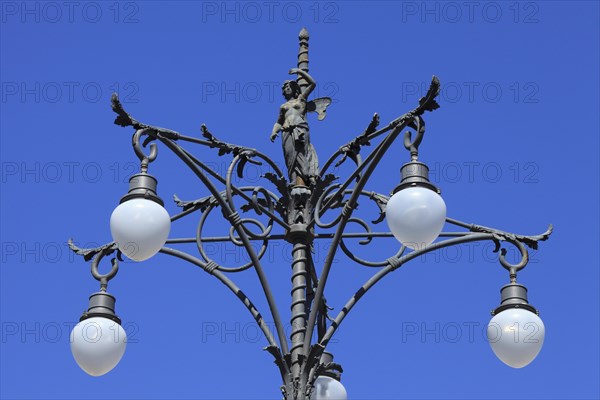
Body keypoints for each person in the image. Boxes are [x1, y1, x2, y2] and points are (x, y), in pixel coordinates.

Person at [270, 68, 319, 186]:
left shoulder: (301, 99)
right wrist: (273, 132)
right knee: (290, 156)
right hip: (286, 131)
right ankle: (293, 179)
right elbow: (278, 122)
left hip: (300, 129)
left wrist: (299, 71)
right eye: (285, 87)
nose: (287, 88)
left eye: (289, 86)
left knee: (301, 153)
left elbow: (313, 84)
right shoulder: (283, 106)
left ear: (294, 88)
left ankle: (306, 176)